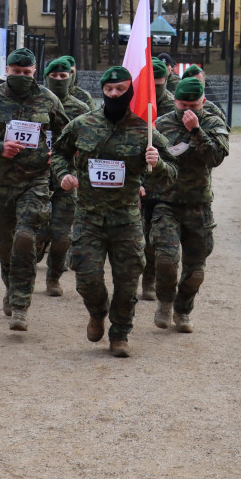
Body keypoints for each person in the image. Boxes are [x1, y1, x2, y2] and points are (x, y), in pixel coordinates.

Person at [51, 66, 177, 357]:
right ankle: (97, 312)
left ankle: (120, 333)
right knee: (86, 276)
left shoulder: (145, 131)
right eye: (109, 90)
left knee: (127, 281)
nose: (114, 94)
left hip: (126, 220)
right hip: (88, 218)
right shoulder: (83, 124)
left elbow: (171, 174)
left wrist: (156, 163)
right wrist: (63, 175)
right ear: (102, 91)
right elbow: (59, 152)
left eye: (120, 90)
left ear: (130, 91)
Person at [0, 48, 70, 331]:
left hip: (36, 181)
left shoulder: (48, 99)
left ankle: (21, 306)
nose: (22, 77)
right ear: (7, 70)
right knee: (4, 246)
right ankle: (11, 289)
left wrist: (55, 152)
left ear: (35, 71)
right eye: (16, 72)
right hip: (2, 184)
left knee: (25, 238)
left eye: (27, 73)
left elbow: (65, 133)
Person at [150, 77, 229, 333]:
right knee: (165, 259)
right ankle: (164, 302)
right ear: (175, 101)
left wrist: (196, 131)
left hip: (199, 205)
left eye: (193, 105)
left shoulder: (212, 122)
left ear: (203, 102)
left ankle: (183, 310)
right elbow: (148, 162)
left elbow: (215, 158)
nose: (187, 111)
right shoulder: (161, 124)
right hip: (167, 202)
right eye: (183, 105)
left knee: (195, 270)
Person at [38, 56, 92, 297]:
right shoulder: (33, 103)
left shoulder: (80, 108)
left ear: (71, 77)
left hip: (67, 178)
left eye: (63, 76)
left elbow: (90, 144)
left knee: (61, 236)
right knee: (35, 231)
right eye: (54, 76)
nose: (59, 80)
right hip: (34, 176)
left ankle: (54, 276)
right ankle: (31, 261)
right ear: (46, 77)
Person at [140, 58, 179, 302]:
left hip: (163, 177)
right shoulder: (135, 102)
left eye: (160, 80)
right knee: (139, 233)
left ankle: (149, 279)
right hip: (138, 176)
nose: (155, 85)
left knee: (155, 236)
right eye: (150, 82)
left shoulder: (173, 106)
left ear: (166, 78)